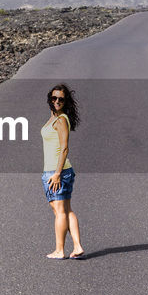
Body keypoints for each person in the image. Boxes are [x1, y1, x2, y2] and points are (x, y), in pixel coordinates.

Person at [42, 83, 84, 260]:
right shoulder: (54, 117)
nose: (57, 101)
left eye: (60, 99)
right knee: (65, 210)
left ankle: (60, 250)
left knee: (59, 211)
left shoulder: (60, 120)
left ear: (65, 102)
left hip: (57, 171)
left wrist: (57, 173)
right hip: (55, 170)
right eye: (54, 98)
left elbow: (65, 148)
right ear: (49, 99)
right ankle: (77, 246)